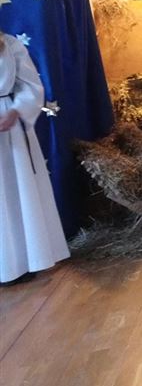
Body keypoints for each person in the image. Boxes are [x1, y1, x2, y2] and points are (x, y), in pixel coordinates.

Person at [1, 31, 70, 285]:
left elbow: (30, 85)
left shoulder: (9, 44)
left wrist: (16, 110)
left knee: (15, 192)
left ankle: (24, 260)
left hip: (8, 126)